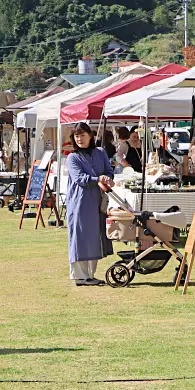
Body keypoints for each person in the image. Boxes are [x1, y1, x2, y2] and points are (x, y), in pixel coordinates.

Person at [66, 122, 114, 286]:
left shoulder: (100, 153)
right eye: (76, 136)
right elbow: (80, 179)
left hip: (98, 201)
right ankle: (79, 276)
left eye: (82, 135)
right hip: (80, 202)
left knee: (95, 236)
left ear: (90, 136)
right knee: (80, 237)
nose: (79, 139)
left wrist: (107, 177)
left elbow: (109, 170)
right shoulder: (73, 157)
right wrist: (98, 179)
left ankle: (90, 275)